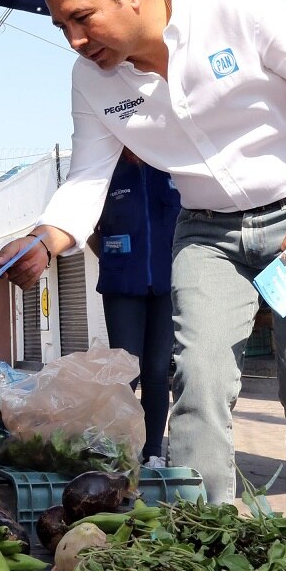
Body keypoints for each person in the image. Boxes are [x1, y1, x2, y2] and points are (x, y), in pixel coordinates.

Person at [0, 0, 286, 520]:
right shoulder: (92, 80)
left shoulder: (235, 5)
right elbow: (89, 176)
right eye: (62, 28)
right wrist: (46, 240)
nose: (74, 40)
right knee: (195, 380)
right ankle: (204, 535)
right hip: (206, 232)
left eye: (83, 18)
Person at [93, 149, 180, 468]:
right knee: (125, 369)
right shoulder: (107, 171)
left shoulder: (170, 167)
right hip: (122, 285)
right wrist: (112, 257)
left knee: (157, 371)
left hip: (166, 283)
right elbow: (92, 228)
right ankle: (121, 449)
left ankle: (154, 451)